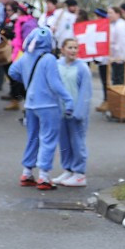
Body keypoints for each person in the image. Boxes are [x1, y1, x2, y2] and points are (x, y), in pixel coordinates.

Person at [8, 27, 75, 189]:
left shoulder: (25, 58)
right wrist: (68, 99)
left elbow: (12, 72)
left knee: (33, 138)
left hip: (30, 105)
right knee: (48, 139)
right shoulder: (49, 59)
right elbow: (55, 83)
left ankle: (27, 172)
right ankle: (44, 176)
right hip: (48, 105)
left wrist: (28, 82)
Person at [54, 38, 93, 187]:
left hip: (76, 112)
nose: (73, 50)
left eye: (76, 48)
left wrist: (79, 112)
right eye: (70, 47)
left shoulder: (82, 68)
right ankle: (68, 169)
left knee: (77, 142)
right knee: (64, 142)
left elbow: (85, 92)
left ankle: (79, 173)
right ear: (62, 49)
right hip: (61, 112)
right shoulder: (57, 66)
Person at [107, 6, 125, 89]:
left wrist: (118, 58)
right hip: (115, 58)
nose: (109, 15)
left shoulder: (121, 25)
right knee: (117, 82)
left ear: (118, 14)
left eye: (111, 13)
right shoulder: (113, 24)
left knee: (122, 84)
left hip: (121, 59)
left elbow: (121, 43)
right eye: (108, 13)